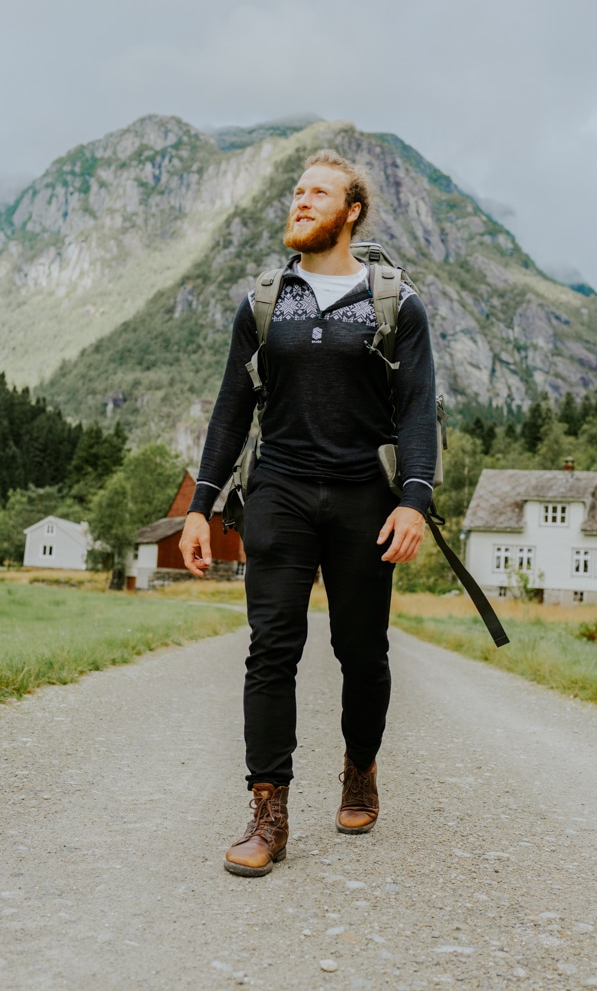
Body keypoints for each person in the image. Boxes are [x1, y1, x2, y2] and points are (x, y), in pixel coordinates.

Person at [179, 150, 438, 877]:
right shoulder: (263, 301)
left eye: (316, 192)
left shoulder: (397, 304)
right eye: (295, 191)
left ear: (350, 210)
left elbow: (418, 410)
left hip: (365, 497)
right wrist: (200, 507)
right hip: (280, 492)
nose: (299, 201)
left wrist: (414, 500)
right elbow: (232, 410)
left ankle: (359, 766)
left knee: (361, 652)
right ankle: (269, 811)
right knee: (271, 650)